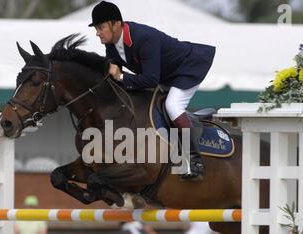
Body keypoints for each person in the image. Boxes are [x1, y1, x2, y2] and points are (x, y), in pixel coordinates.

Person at [89, 1, 216, 181]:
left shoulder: (144, 38)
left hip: (187, 67)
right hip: (166, 74)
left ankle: (193, 162)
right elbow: (114, 73)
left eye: (101, 27)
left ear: (116, 24)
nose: (97, 32)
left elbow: (149, 79)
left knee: (173, 106)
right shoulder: (111, 43)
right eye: (96, 28)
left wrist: (122, 77)